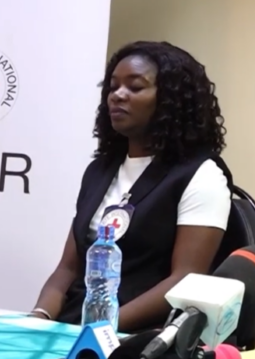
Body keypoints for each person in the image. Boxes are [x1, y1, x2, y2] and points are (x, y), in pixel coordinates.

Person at [30, 41, 233, 333]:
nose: (117, 95)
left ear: (170, 100)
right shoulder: (99, 171)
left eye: (135, 87)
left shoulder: (202, 175)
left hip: (138, 338)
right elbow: (68, 269)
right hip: (73, 328)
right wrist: (38, 319)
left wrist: (100, 331)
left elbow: (185, 279)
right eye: (113, 87)